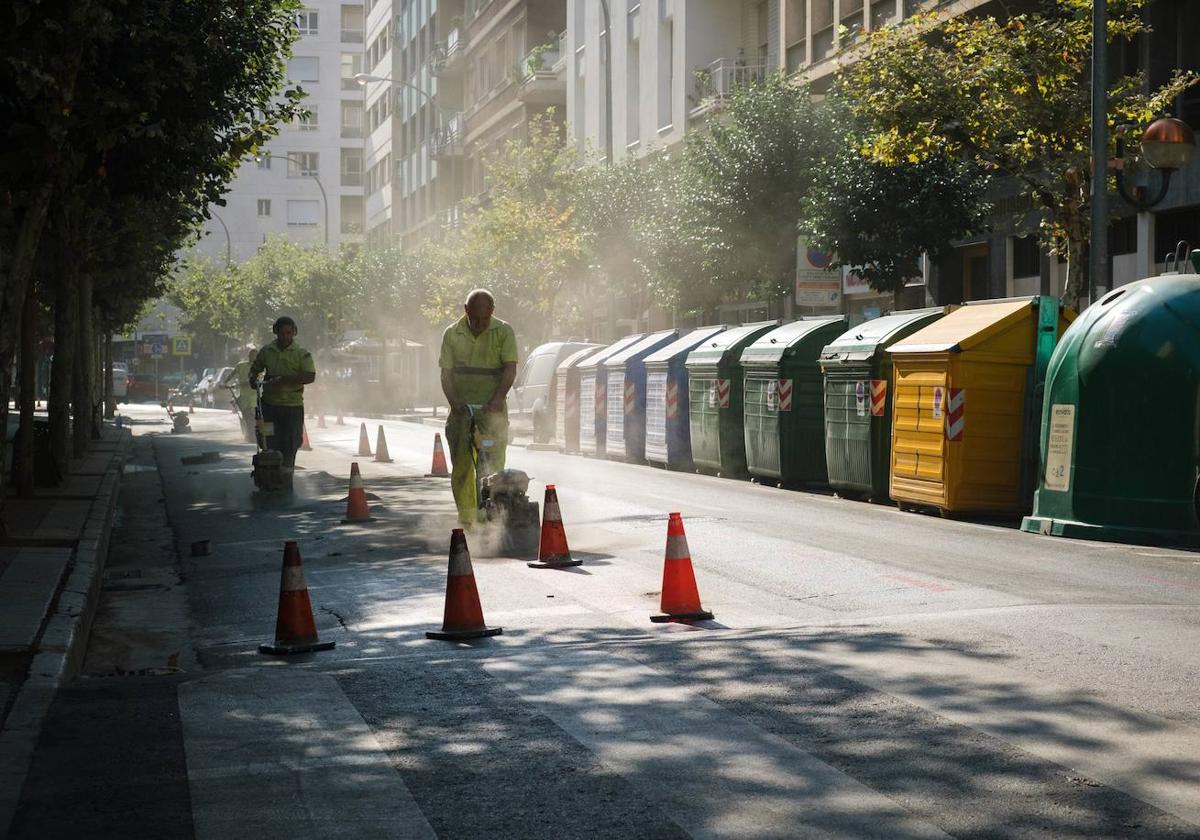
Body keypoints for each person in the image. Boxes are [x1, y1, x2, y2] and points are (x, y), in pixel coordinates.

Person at [439, 289, 518, 526]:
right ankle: (468, 519)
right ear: (466, 310)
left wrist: (497, 398)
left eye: (485, 319)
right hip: (462, 412)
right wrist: (455, 403)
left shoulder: (503, 332)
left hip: (491, 412)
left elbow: (510, 369)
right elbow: (446, 374)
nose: (480, 324)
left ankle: (491, 518)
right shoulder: (452, 334)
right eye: (475, 318)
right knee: (462, 466)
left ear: (493, 311)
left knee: (492, 466)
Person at [249, 317, 316, 487]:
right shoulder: (266, 352)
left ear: (294, 332)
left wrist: (285, 380)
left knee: (292, 442)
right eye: (282, 333)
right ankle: (268, 475)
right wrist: (253, 379)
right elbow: (255, 370)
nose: (285, 337)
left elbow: (310, 376)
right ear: (275, 332)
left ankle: (287, 476)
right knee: (268, 441)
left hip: (292, 407)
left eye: (289, 333)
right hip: (269, 406)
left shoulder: (302, 354)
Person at [226, 348, 259, 443]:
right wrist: (225, 382)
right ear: (248, 356)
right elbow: (232, 374)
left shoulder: (259, 367)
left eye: (255, 356)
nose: (253, 357)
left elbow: (255, 381)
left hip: (254, 396)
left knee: (252, 417)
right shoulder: (241, 365)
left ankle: (253, 436)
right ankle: (250, 435)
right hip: (244, 396)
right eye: (252, 355)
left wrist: (239, 384)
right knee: (246, 417)